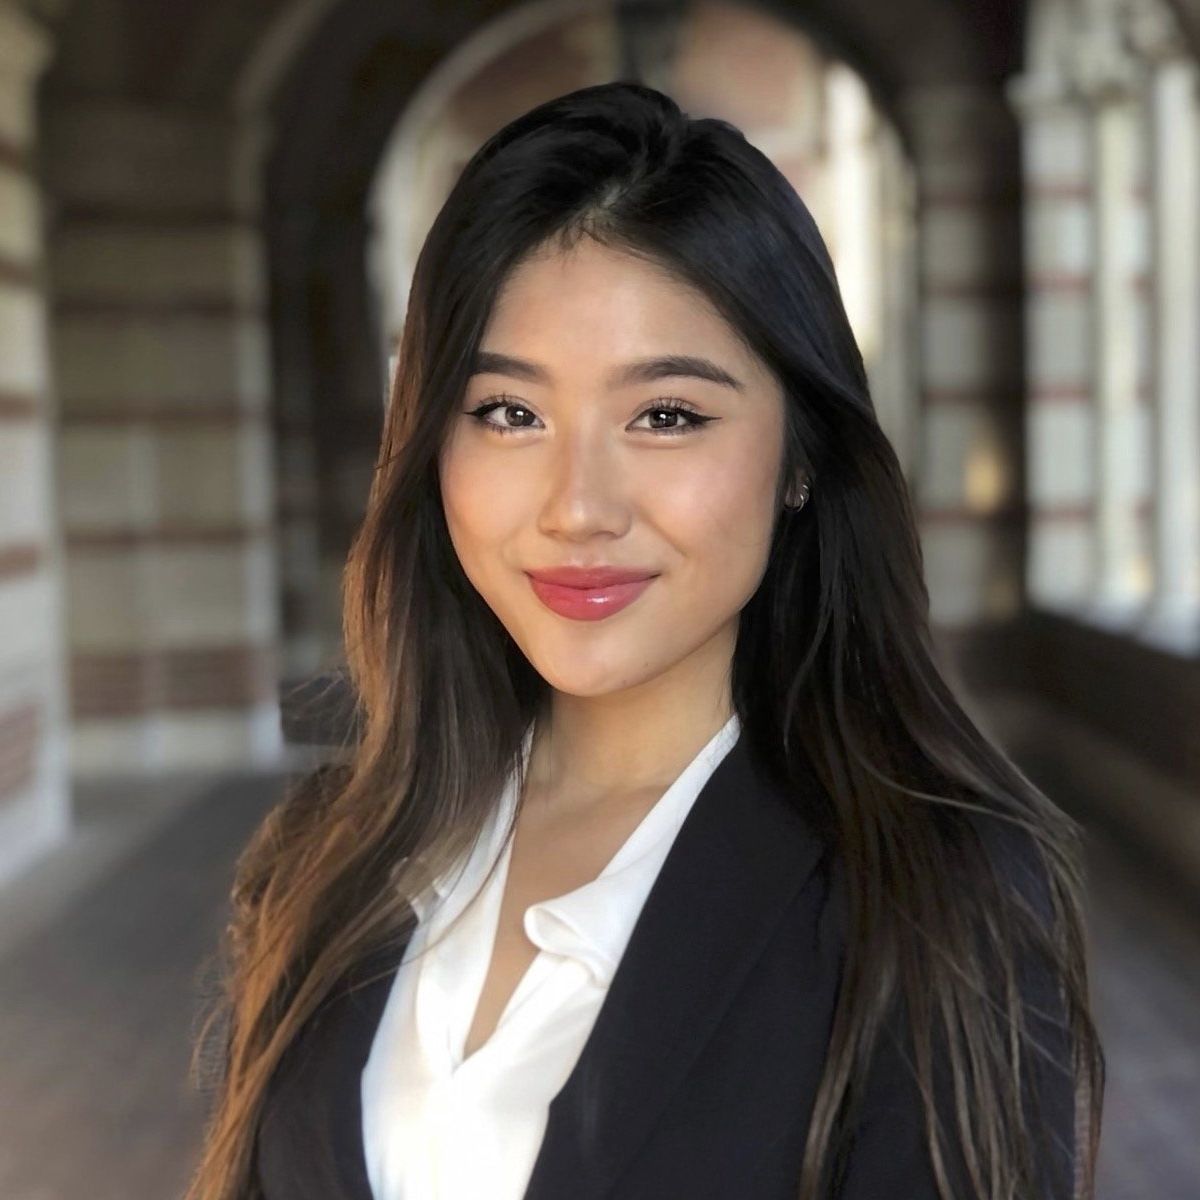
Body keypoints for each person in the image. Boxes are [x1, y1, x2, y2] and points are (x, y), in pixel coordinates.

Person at [185, 80, 1104, 1200]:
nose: (578, 507)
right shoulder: (324, 853)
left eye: (665, 415)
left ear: (801, 459)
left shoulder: (931, 897)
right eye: (509, 414)